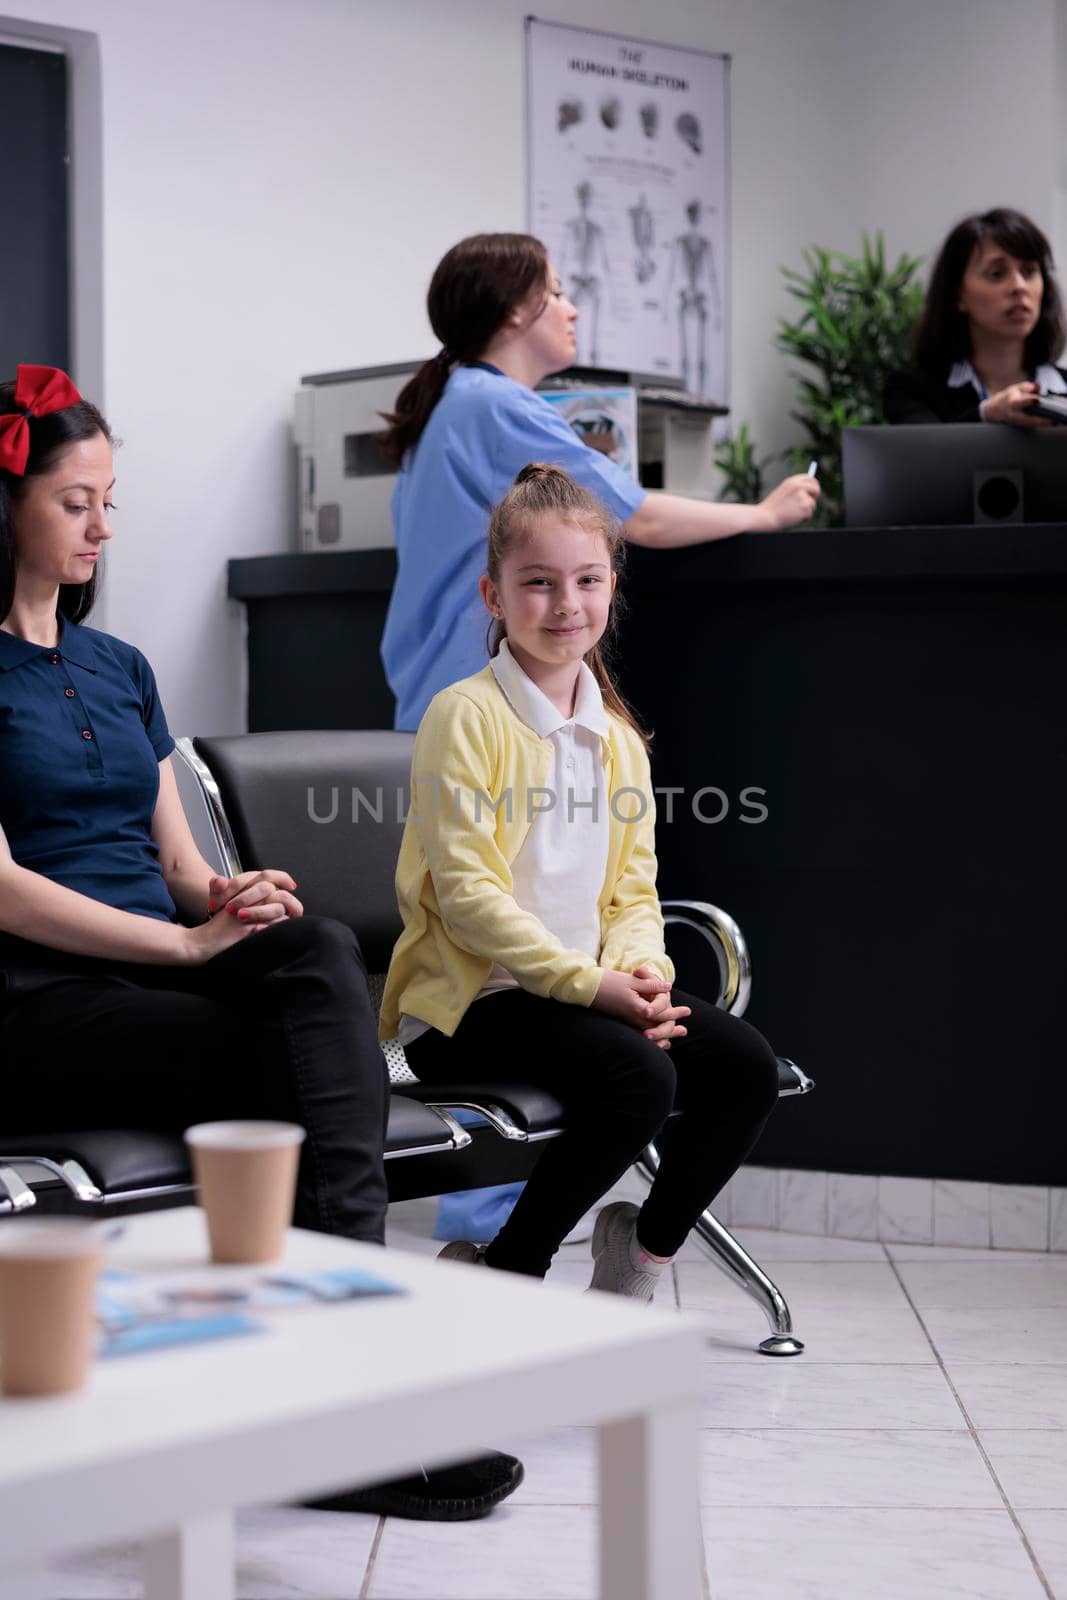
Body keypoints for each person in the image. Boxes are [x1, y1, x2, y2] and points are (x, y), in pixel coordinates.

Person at [0, 364, 521, 1522]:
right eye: (76, 499)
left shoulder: (118, 668)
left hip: (148, 983)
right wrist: (184, 951)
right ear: (10, 506)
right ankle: (346, 1405)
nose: (102, 525)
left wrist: (232, 900)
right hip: (37, 1006)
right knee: (305, 1066)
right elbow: (7, 891)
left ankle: (326, 1403)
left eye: (111, 499)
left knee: (313, 944)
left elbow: (182, 872)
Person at [379, 463, 782, 1292]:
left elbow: (632, 894)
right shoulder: (466, 716)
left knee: (742, 1066)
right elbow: (467, 897)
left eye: (587, 581)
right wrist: (591, 987)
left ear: (610, 589)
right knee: (640, 1075)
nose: (566, 605)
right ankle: (509, 1274)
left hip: (585, 994)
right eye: (537, 584)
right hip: (474, 1006)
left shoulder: (617, 740)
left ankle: (640, 1251)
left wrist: (645, 972)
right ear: (493, 596)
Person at [380, 231, 820, 735]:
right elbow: (639, 518)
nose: (573, 311)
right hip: (483, 703)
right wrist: (766, 514)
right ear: (517, 310)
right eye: (558, 291)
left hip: (438, 697)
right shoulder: (496, 406)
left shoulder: (451, 404)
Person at [884, 207, 1067, 427]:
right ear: (958, 294)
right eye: (997, 274)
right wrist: (986, 415)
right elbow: (925, 454)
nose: (1019, 286)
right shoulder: (912, 389)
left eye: (1029, 272)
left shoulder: (1063, 386)